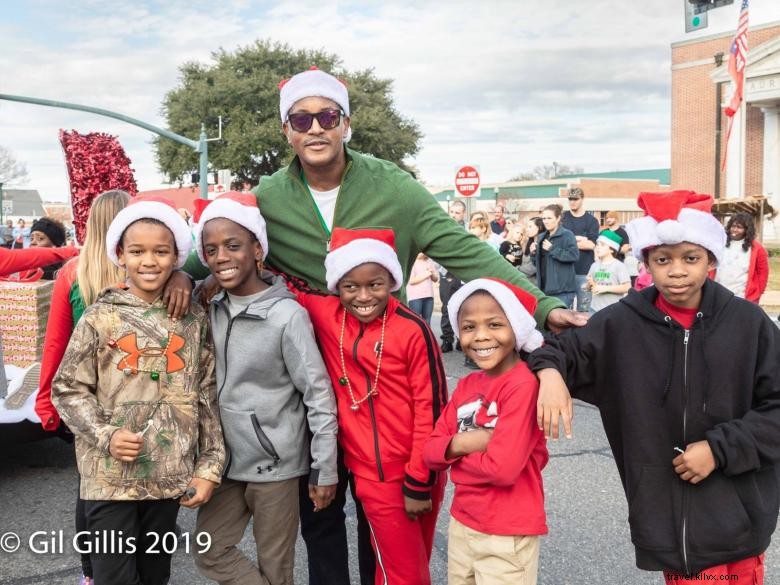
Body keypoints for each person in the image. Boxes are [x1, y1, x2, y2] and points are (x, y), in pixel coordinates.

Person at [185, 66, 584, 584]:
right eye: (300, 119)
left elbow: (465, 252)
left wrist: (542, 304)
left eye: (327, 115)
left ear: (345, 123)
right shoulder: (268, 197)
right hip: (309, 376)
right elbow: (217, 246)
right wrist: (175, 277)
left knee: (388, 517)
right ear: (286, 130)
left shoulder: (395, 187)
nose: (314, 128)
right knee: (320, 515)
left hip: (386, 376)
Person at [531, 190, 780, 583]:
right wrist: (549, 373)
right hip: (666, 520)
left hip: (737, 516)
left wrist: (720, 448)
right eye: (663, 259)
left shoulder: (748, 325)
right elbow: (558, 350)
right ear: (646, 261)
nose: (677, 271)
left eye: (690, 258)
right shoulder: (620, 323)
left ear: (711, 260)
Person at [51, 195, 225, 585]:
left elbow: (206, 395)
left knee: (155, 575)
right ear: (120, 255)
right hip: (108, 480)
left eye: (161, 251)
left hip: (168, 478)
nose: (149, 261)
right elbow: (67, 389)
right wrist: (106, 435)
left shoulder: (193, 319)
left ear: (177, 256)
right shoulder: (101, 316)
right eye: (138, 251)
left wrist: (209, 467)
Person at [192, 192, 338, 585]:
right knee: (208, 550)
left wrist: (324, 470)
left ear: (258, 249)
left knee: (277, 568)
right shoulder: (207, 303)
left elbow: (318, 396)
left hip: (275, 465)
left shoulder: (286, 316)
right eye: (211, 249)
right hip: (223, 463)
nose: (222, 256)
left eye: (233, 245)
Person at [288, 227, 448, 585]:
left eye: (375, 284)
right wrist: (193, 281)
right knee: (397, 570)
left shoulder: (413, 329)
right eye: (350, 287)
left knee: (405, 570)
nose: (363, 296)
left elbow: (432, 409)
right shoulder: (328, 314)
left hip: (413, 471)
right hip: (369, 475)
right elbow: (281, 282)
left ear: (391, 281)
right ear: (336, 287)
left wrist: (420, 481)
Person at [424, 278, 548, 585]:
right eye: (468, 327)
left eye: (494, 324)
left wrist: (451, 456)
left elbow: (503, 470)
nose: (481, 337)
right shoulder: (467, 385)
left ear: (516, 327)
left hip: (506, 531)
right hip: (463, 522)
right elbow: (429, 452)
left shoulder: (523, 386)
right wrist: (468, 442)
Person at [715, 212, 769, 303]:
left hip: (742, 296)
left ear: (747, 230)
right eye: (733, 226)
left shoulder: (757, 248)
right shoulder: (720, 243)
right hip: (719, 293)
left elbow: (763, 272)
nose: (734, 230)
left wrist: (759, 291)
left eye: (739, 227)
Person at [532, 204, 579, 308]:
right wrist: (533, 253)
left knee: (561, 323)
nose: (546, 221)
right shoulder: (541, 237)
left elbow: (574, 256)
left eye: (549, 218)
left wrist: (552, 249)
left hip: (562, 293)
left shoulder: (567, 235)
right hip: (544, 291)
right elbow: (537, 264)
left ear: (558, 218)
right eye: (544, 218)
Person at [561, 187, 599, 312]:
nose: (572, 202)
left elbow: (591, 245)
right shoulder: (562, 218)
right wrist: (579, 239)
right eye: (570, 199)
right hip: (564, 270)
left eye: (575, 199)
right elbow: (558, 242)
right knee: (565, 310)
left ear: (582, 199)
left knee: (584, 309)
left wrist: (569, 240)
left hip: (584, 271)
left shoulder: (591, 221)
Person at [439, 200, 466, 353]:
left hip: (463, 273)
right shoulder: (442, 228)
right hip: (446, 273)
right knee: (446, 307)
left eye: (457, 212)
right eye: (452, 212)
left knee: (463, 308)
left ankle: (462, 339)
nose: (454, 215)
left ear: (463, 214)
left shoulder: (468, 230)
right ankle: (447, 339)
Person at [585, 230, 630, 313]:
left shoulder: (619, 266)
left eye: (602, 245)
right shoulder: (594, 265)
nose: (598, 247)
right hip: (594, 309)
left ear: (612, 249)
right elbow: (589, 287)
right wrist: (588, 285)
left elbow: (627, 287)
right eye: (597, 244)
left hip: (613, 310)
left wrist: (604, 288)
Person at [406, 251, 439, 325]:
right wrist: (426, 274)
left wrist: (432, 273)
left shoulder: (429, 261)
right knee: (415, 321)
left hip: (429, 295)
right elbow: (411, 281)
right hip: (415, 297)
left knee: (427, 321)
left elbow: (436, 279)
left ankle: (426, 336)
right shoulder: (412, 261)